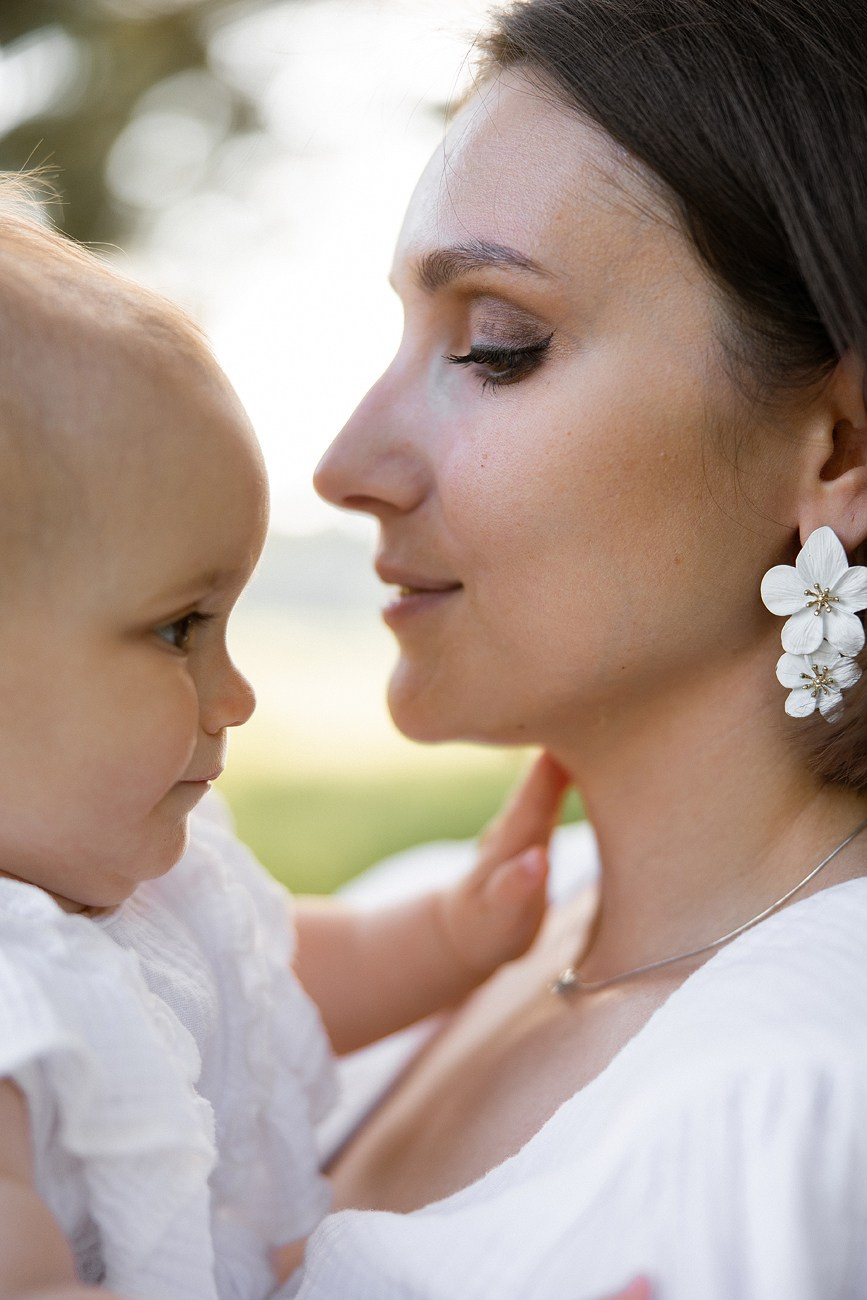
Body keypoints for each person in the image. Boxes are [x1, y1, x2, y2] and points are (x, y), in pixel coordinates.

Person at [298, 0, 867, 1296]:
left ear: (835, 450)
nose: (345, 467)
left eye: (497, 347)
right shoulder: (418, 927)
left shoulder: (791, 1108)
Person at [0, 183, 573, 1300]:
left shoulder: (148, 890)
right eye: (179, 628)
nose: (236, 694)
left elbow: (266, 977)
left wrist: (452, 933)